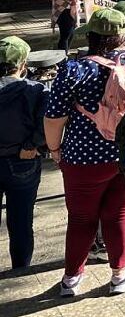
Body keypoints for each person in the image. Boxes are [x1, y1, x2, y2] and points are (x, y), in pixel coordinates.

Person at [44, 8, 125, 297]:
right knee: (120, 214)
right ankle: (119, 275)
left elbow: (54, 118)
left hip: (82, 158)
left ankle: (71, 279)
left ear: (92, 36)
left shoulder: (74, 69)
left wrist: (55, 149)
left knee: (81, 219)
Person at [0, 36, 46, 270]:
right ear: (22, 65)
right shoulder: (36, 90)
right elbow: (45, 123)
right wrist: (32, 145)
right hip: (23, 160)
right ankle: (20, 269)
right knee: (21, 221)